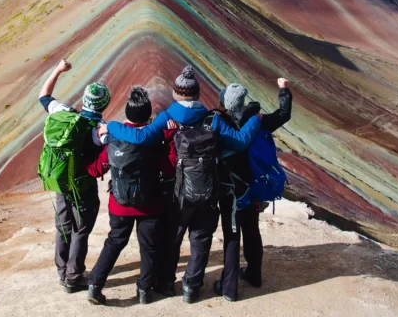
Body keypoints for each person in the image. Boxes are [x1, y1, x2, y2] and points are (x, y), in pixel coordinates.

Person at [98, 65, 262, 303]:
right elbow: (241, 141)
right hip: (207, 190)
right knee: (201, 239)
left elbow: (140, 137)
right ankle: (192, 288)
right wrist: (255, 120)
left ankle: (166, 283)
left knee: (172, 237)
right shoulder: (212, 119)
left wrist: (111, 126)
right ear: (196, 95)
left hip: (177, 191)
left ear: (176, 94)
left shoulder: (168, 117)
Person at [84, 87, 175, 306]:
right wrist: (170, 136)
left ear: (127, 112)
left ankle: (95, 285)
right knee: (149, 246)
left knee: (115, 242)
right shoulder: (154, 140)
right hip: (149, 204)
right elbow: (170, 167)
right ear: (147, 116)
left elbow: (96, 170)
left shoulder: (114, 139)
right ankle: (144, 290)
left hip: (119, 204)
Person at [213, 78, 293, 302]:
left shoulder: (220, 123)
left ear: (225, 104)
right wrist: (284, 89)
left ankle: (229, 287)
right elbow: (284, 114)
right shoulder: (258, 120)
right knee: (251, 231)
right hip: (253, 187)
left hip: (229, 189)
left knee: (231, 236)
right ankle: (254, 274)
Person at [38, 59, 111, 293]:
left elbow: (44, 95)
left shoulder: (65, 114)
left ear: (85, 100)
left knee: (63, 225)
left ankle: (62, 271)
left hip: (61, 182)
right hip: (84, 187)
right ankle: (74, 276)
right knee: (81, 229)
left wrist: (58, 70)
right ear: (105, 104)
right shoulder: (101, 129)